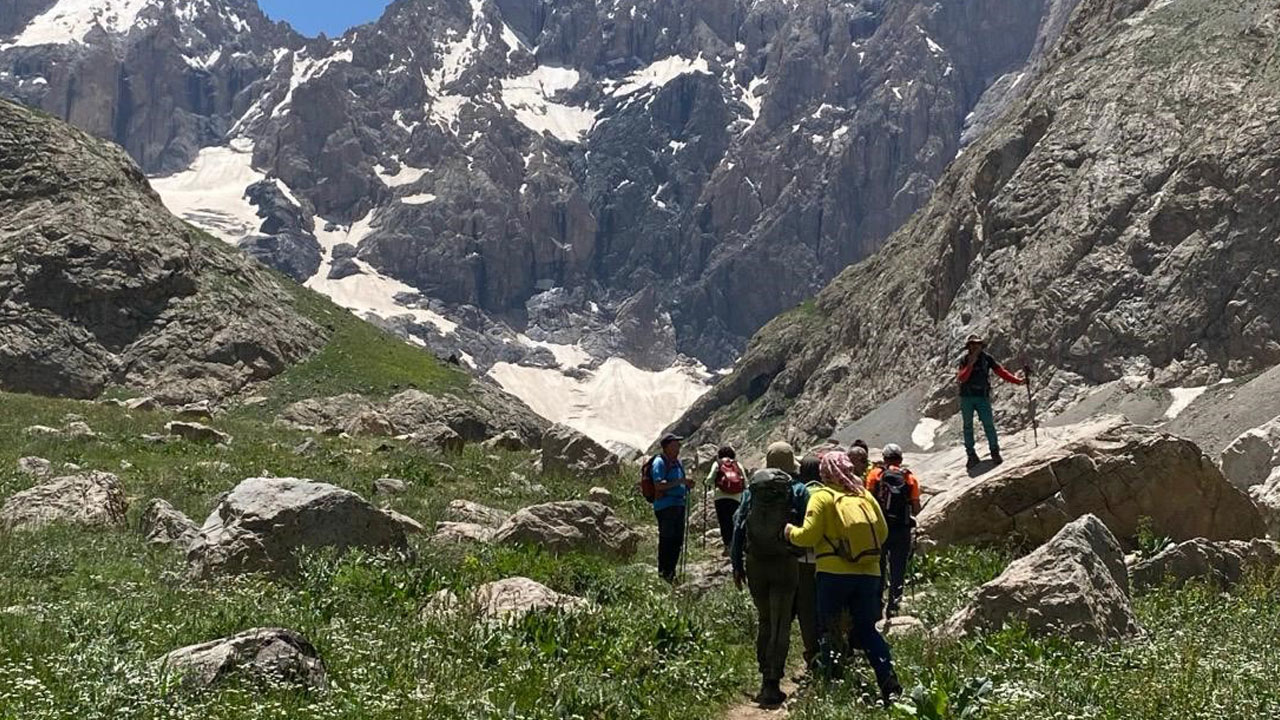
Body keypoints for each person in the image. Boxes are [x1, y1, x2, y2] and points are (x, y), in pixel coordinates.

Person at [784, 451, 902, 707]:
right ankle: (888, 680)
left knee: (828, 628)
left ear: (825, 473)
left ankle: (831, 681)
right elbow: (882, 533)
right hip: (869, 572)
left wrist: (790, 532)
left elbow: (808, 536)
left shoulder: (822, 496)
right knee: (867, 629)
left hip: (833, 573)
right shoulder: (864, 495)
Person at [730, 442, 809, 707]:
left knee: (765, 619)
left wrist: (737, 565)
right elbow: (806, 526)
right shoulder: (797, 490)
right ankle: (773, 681)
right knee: (781, 621)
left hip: (756, 563)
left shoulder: (753, 490)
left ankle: (764, 673)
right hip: (785, 563)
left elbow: (739, 525)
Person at [865, 444, 922, 619]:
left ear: (884, 458)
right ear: (901, 459)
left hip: (880, 529)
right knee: (898, 568)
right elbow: (916, 508)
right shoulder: (909, 477)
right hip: (902, 530)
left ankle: (876, 607)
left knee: (878, 568)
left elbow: (867, 500)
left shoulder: (875, 474)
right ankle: (894, 606)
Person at [957, 334, 1026, 468]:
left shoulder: (987, 359)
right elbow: (962, 378)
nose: (975, 347)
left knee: (988, 424)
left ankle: (994, 452)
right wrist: (970, 364)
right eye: (973, 345)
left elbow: (1001, 372)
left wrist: (1017, 381)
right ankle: (971, 455)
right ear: (969, 347)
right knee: (968, 426)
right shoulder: (964, 360)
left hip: (981, 397)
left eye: (977, 344)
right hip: (967, 397)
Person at [651, 433, 693, 583]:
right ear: (667, 446)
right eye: (676, 444)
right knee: (667, 539)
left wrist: (687, 485)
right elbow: (658, 485)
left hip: (678, 504)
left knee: (677, 540)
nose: (679, 446)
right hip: (665, 506)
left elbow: (679, 482)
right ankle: (664, 573)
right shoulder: (659, 462)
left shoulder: (677, 462)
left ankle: (671, 573)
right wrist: (681, 481)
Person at [793, 455, 822, 672]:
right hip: (828, 558)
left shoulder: (799, 492)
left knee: (806, 608)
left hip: (803, 559)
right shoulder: (828, 492)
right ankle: (833, 648)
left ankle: (812, 652)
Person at [706, 446, 748, 553]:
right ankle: (737, 546)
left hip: (720, 497)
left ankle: (727, 546)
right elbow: (745, 481)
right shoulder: (737, 464)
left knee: (724, 522)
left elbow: (710, 479)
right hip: (736, 497)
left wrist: (706, 483)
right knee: (735, 521)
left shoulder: (718, 463)